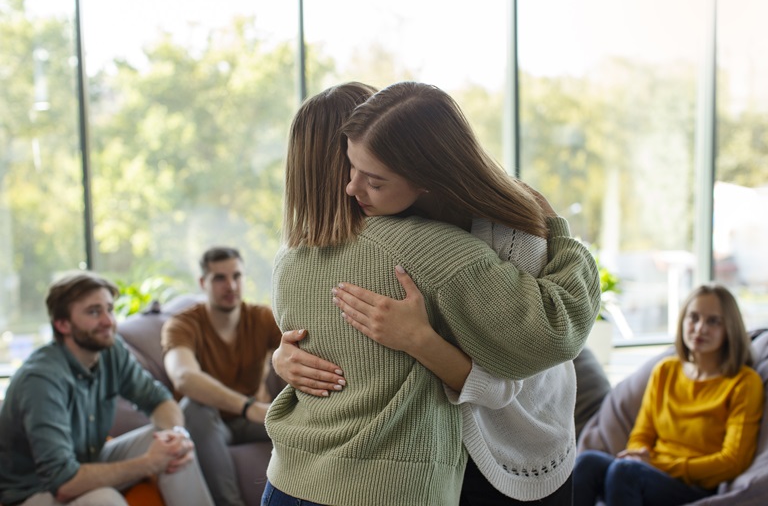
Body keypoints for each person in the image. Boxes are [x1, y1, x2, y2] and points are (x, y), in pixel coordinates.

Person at [263, 81, 601, 506]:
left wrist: (419, 341)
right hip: (435, 458)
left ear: (421, 172)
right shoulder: (349, 244)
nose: (352, 187)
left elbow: (518, 371)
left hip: (514, 445)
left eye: (372, 176)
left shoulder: (482, 238)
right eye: (353, 167)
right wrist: (284, 354)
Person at [0, 271, 213, 506]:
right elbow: (63, 482)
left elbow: (158, 399)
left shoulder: (110, 351)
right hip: (32, 492)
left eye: (109, 309)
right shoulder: (41, 380)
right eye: (94, 312)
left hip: (87, 461)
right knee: (105, 500)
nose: (108, 321)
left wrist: (177, 436)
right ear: (62, 324)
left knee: (171, 446)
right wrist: (150, 463)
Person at [573, 283, 765, 506]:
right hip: (648, 472)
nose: (700, 328)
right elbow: (641, 435)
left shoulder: (744, 382)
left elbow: (733, 461)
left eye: (713, 321)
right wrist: (639, 455)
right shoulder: (666, 371)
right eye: (693, 318)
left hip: (696, 486)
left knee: (625, 471)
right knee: (588, 461)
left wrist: (657, 465)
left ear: (729, 328)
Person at [161, 246, 282, 506]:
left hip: (254, 419)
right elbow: (183, 377)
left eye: (237, 276)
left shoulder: (261, 318)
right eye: (220, 278)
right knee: (193, 407)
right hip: (209, 423)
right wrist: (248, 407)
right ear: (203, 282)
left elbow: (305, 346)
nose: (231, 285)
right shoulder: (182, 325)